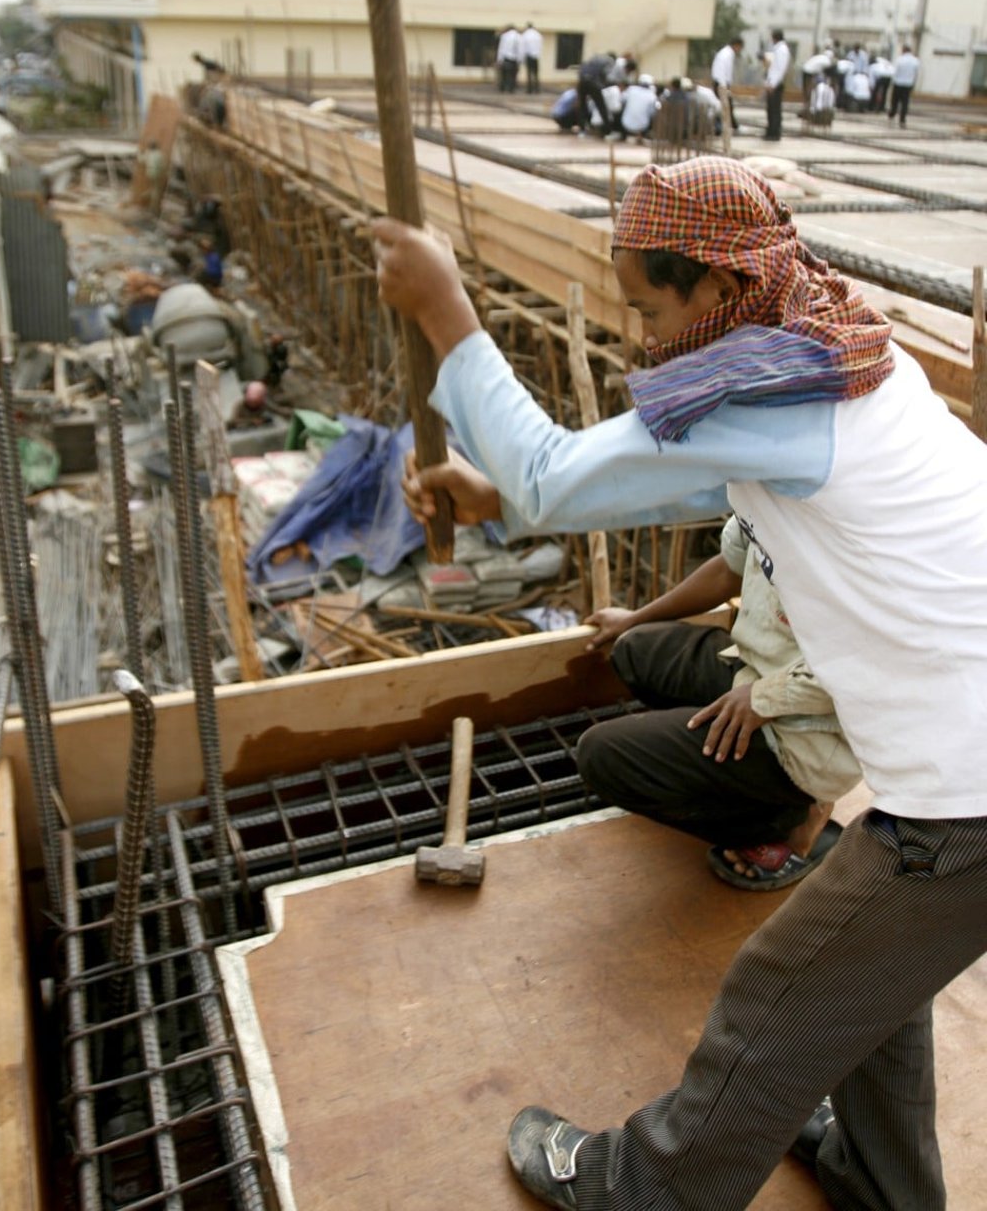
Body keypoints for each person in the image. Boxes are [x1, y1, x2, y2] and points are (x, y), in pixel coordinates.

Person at [371, 155, 987, 1211]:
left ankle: (638, 1189)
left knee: (775, 993)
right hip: (951, 766)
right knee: (871, 987)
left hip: (962, 799)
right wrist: (510, 494)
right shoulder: (828, 357)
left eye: (648, 306)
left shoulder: (772, 395)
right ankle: (883, 1179)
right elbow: (649, 483)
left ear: (714, 288)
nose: (641, 336)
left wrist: (448, 312)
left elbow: (556, 477)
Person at [581, 513, 859, 889]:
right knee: (634, 649)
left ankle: (787, 819)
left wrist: (764, 698)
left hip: (812, 727)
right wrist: (633, 618)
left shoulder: (869, 527)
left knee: (601, 755)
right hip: (753, 669)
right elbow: (727, 567)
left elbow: (879, 662)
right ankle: (743, 785)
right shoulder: (764, 488)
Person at [576, 52, 620, 138]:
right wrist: (603, 85)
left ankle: (582, 131)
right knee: (601, 107)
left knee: (582, 106)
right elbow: (606, 75)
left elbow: (583, 68)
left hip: (582, 82)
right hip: (593, 83)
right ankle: (608, 132)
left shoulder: (596, 57)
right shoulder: (609, 61)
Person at [762, 27, 791, 140]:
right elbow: (771, 68)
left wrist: (773, 84)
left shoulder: (782, 49)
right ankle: (770, 131)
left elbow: (780, 69)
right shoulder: (776, 49)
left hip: (776, 84)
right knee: (771, 109)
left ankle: (774, 133)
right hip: (772, 83)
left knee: (775, 110)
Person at [710, 36, 743, 129]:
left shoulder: (727, 53)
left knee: (726, 106)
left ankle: (729, 125)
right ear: (736, 46)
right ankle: (730, 126)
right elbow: (721, 70)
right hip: (721, 83)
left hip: (722, 82)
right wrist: (723, 86)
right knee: (725, 106)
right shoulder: (726, 54)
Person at [615, 76, 657, 140]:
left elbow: (621, 99)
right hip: (643, 126)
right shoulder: (652, 95)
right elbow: (652, 113)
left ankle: (621, 134)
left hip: (625, 124)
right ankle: (642, 135)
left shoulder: (631, 89)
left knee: (619, 109)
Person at [889, 44, 920, 127]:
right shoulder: (915, 60)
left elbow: (895, 71)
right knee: (905, 103)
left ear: (903, 50)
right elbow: (916, 73)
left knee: (895, 101)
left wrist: (893, 81)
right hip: (908, 84)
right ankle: (902, 120)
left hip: (898, 83)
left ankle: (892, 115)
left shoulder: (899, 59)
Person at [496, 25, 522, 93]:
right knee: (512, 75)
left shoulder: (504, 36)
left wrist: (499, 59)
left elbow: (501, 49)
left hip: (505, 58)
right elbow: (520, 49)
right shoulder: (518, 36)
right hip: (514, 59)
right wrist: (519, 60)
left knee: (504, 74)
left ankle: (503, 88)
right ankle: (511, 89)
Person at [521, 22, 543, 94]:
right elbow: (540, 46)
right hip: (536, 56)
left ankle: (529, 89)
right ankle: (537, 89)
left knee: (529, 73)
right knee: (536, 73)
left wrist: (522, 57)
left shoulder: (525, 35)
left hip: (529, 56)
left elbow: (523, 47)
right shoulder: (538, 34)